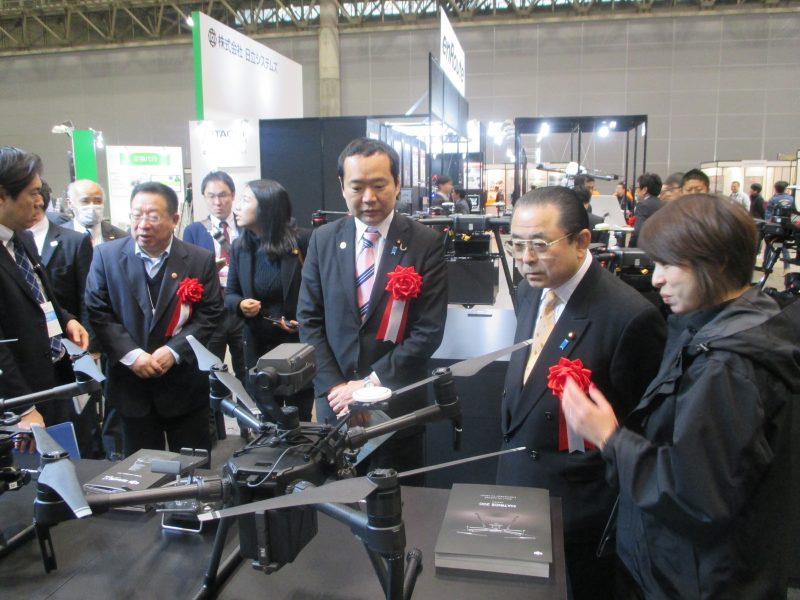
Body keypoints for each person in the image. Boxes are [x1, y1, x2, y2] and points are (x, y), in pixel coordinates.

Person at [562, 194, 798, 599]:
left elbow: (695, 497)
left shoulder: (727, 367)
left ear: (716, 263)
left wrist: (610, 438)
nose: (656, 279)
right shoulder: (730, 329)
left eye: (668, 265)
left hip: (696, 581)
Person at [496, 186, 666, 600]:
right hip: (519, 490)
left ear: (581, 241)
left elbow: (641, 432)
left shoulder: (629, 317)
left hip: (579, 512)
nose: (525, 258)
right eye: (517, 244)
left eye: (540, 245)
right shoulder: (531, 289)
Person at [298, 137, 447, 480]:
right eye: (357, 187)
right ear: (342, 187)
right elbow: (309, 319)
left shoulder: (425, 243)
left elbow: (428, 331)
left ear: (397, 183)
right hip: (336, 404)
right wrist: (336, 387)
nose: (368, 197)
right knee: (335, 497)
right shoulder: (322, 240)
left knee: (400, 496)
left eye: (379, 185)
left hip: (396, 403)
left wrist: (368, 385)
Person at [85, 182, 223, 456]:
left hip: (184, 387)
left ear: (174, 219)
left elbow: (210, 313)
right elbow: (98, 312)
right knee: (140, 470)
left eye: (153, 216)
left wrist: (174, 351)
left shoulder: (198, 259)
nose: (143, 225)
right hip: (130, 387)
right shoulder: (106, 256)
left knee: (192, 467)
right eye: (136, 215)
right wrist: (132, 355)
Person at [0, 147, 89, 450]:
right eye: (33, 193)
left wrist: (67, 320)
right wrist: (23, 408)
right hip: (19, 399)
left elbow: (38, 295)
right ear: (2, 197)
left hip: (53, 377)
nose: (41, 201)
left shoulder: (21, 237)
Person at [225, 179, 313, 420]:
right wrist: (241, 305)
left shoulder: (303, 241)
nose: (237, 207)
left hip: (296, 347)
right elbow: (230, 294)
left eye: (245, 200)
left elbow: (321, 292)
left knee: (299, 420)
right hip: (259, 348)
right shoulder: (240, 247)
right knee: (266, 421)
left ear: (267, 207)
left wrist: (302, 322)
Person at [27, 178, 103, 457]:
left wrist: (89, 348)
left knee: (79, 430)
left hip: (69, 352)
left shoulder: (72, 241)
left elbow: (87, 297)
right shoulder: (18, 241)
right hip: (29, 359)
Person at [183, 170, 246, 438]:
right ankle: (215, 433)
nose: (217, 202)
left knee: (247, 370)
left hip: (241, 310)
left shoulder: (245, 226)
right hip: (210, 311)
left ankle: (250, 426)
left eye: (222, 195)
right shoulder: (194, 231)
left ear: (232, 195)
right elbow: (186, 269)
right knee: (212, 371)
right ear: (204, 198)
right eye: (211, 196)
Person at [61, 179, 127, 245]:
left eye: (98, 201)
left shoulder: (121, 237)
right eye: (85, 201)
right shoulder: (59, 235)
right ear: (70, 203)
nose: (92, 206)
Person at [629, 172, 663, 247]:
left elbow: (638, 232)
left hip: (644, 249)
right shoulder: (663, 204)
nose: (636, 191)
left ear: (644, 190)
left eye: (637, 188)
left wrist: (630, 247)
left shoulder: (643, 205)